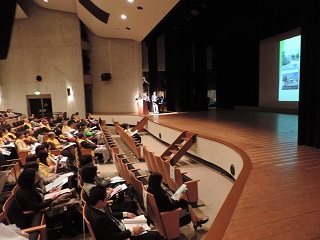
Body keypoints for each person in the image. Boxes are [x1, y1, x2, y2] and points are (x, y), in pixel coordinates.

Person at [15, 168, 82, 237]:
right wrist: (52, 199)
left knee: (69, 200)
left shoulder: (29, 186)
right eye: (36, 178)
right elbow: (36, 207)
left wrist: (49, 192)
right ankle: (66, 230)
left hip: (45, 204)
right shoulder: (25, 193)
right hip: (43, 212)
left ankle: (71, 227)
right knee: (70, 206)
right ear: (30, 180)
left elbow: (39, 195)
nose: (38, 179)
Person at [86, 185, 164, 240]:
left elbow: (108, 215)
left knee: (146, 218)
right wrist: (132, 231)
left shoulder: (92, 208)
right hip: (122, 234)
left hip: (119, 226)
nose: (107, 199)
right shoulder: (99, 220)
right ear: (99, 202)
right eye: (106, 197)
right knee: (156, 235)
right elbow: (112, 237)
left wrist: (125, 214)